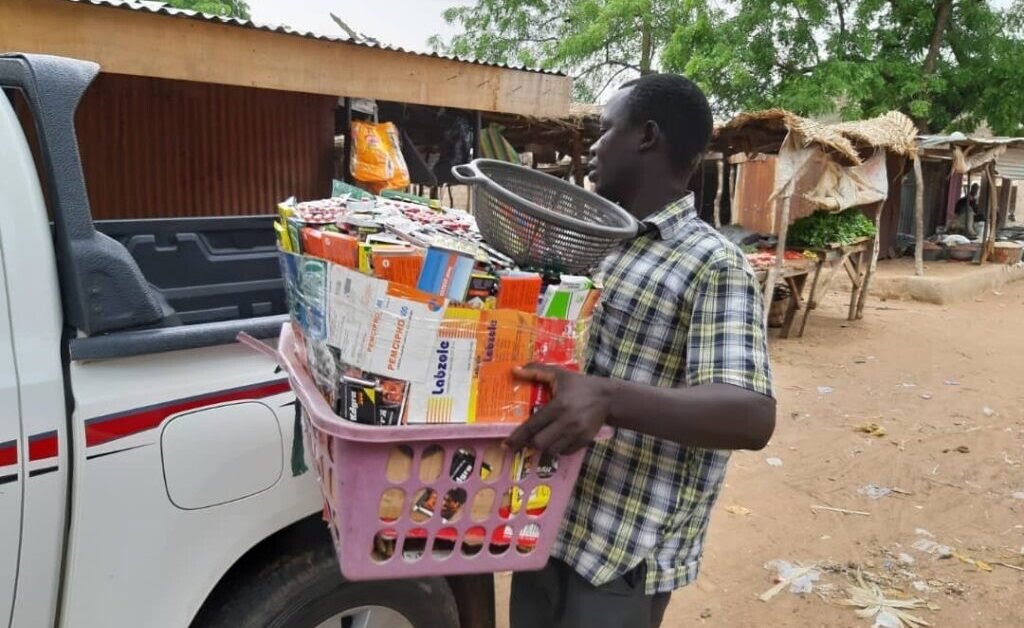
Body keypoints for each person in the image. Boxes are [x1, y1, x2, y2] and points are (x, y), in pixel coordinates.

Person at [507, 73, 776, 628]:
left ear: (646, 136)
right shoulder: (600, 244)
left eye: (606, 131)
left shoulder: (713, 264)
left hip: (620, 554)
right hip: (548, 521)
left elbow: (750, 415)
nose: (595, 148)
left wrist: (607, 398)